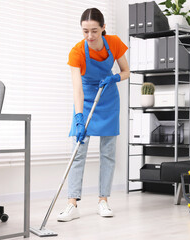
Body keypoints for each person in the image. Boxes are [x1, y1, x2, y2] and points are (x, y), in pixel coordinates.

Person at [57, 8, 129, 222]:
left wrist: (115, 78)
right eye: (85, 31)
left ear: (103, 28)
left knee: (108, 152)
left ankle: (103, 200)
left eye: (94, 31)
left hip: (108, 98)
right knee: (78, 151)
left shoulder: (114, 43)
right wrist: (79, 118)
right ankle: (72, 204)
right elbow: (77, 89)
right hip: (86, 98)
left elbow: (126, 71)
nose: (89, 36)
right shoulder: (77, 51)